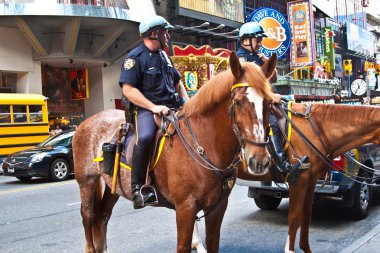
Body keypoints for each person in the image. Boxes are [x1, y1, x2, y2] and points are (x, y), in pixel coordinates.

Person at [119, 15, 189, 209]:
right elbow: (128, 90)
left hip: (172, 108)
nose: (167, 35)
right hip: (147, 111)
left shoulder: (164, 56)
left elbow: (178, 82)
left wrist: (188, 103)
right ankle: (138, 189)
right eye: (164, 32)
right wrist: (154, 107)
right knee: (147, 136)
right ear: (153, 34)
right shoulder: (135, 58)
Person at [236, 22, 309, 183]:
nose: (260, 43)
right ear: (246, 40)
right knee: (274, 123)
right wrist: (270, 97)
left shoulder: (257, 57)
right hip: (253, 104)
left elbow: (273, 78)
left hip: (266, 98)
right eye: (257, 39)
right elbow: (251, 88)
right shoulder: (242, 59)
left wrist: (267, 60)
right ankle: (283, 165)